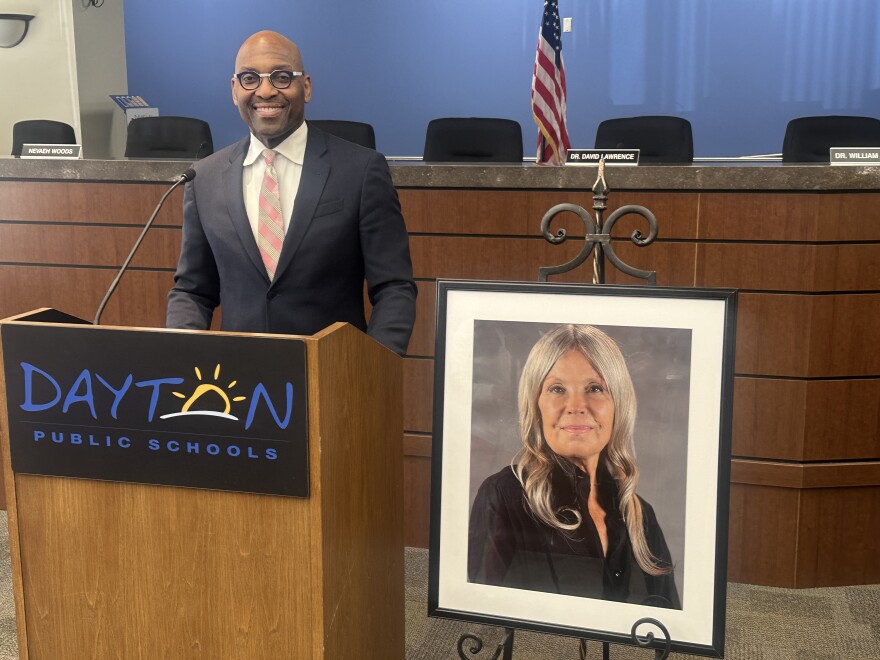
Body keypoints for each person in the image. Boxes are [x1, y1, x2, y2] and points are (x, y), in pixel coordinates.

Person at [166, 31, 416, 355]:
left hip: (334, 380)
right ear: (234, 90)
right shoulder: (204, 178)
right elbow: (192, 290)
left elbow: (394, 288)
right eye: (250, 78)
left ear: (306, 87)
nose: (266, 90)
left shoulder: (361, 171)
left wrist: (370, 370)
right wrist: (181, 357)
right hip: (239, 383)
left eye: (282, 77)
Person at [468, 324, 681, 608]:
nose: (576, 406)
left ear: (619, 404)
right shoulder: (503, 497)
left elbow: (666, 627)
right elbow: (481, 616)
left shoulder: (641, 515)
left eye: (595, 388)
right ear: (535, 405)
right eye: (557, 388)